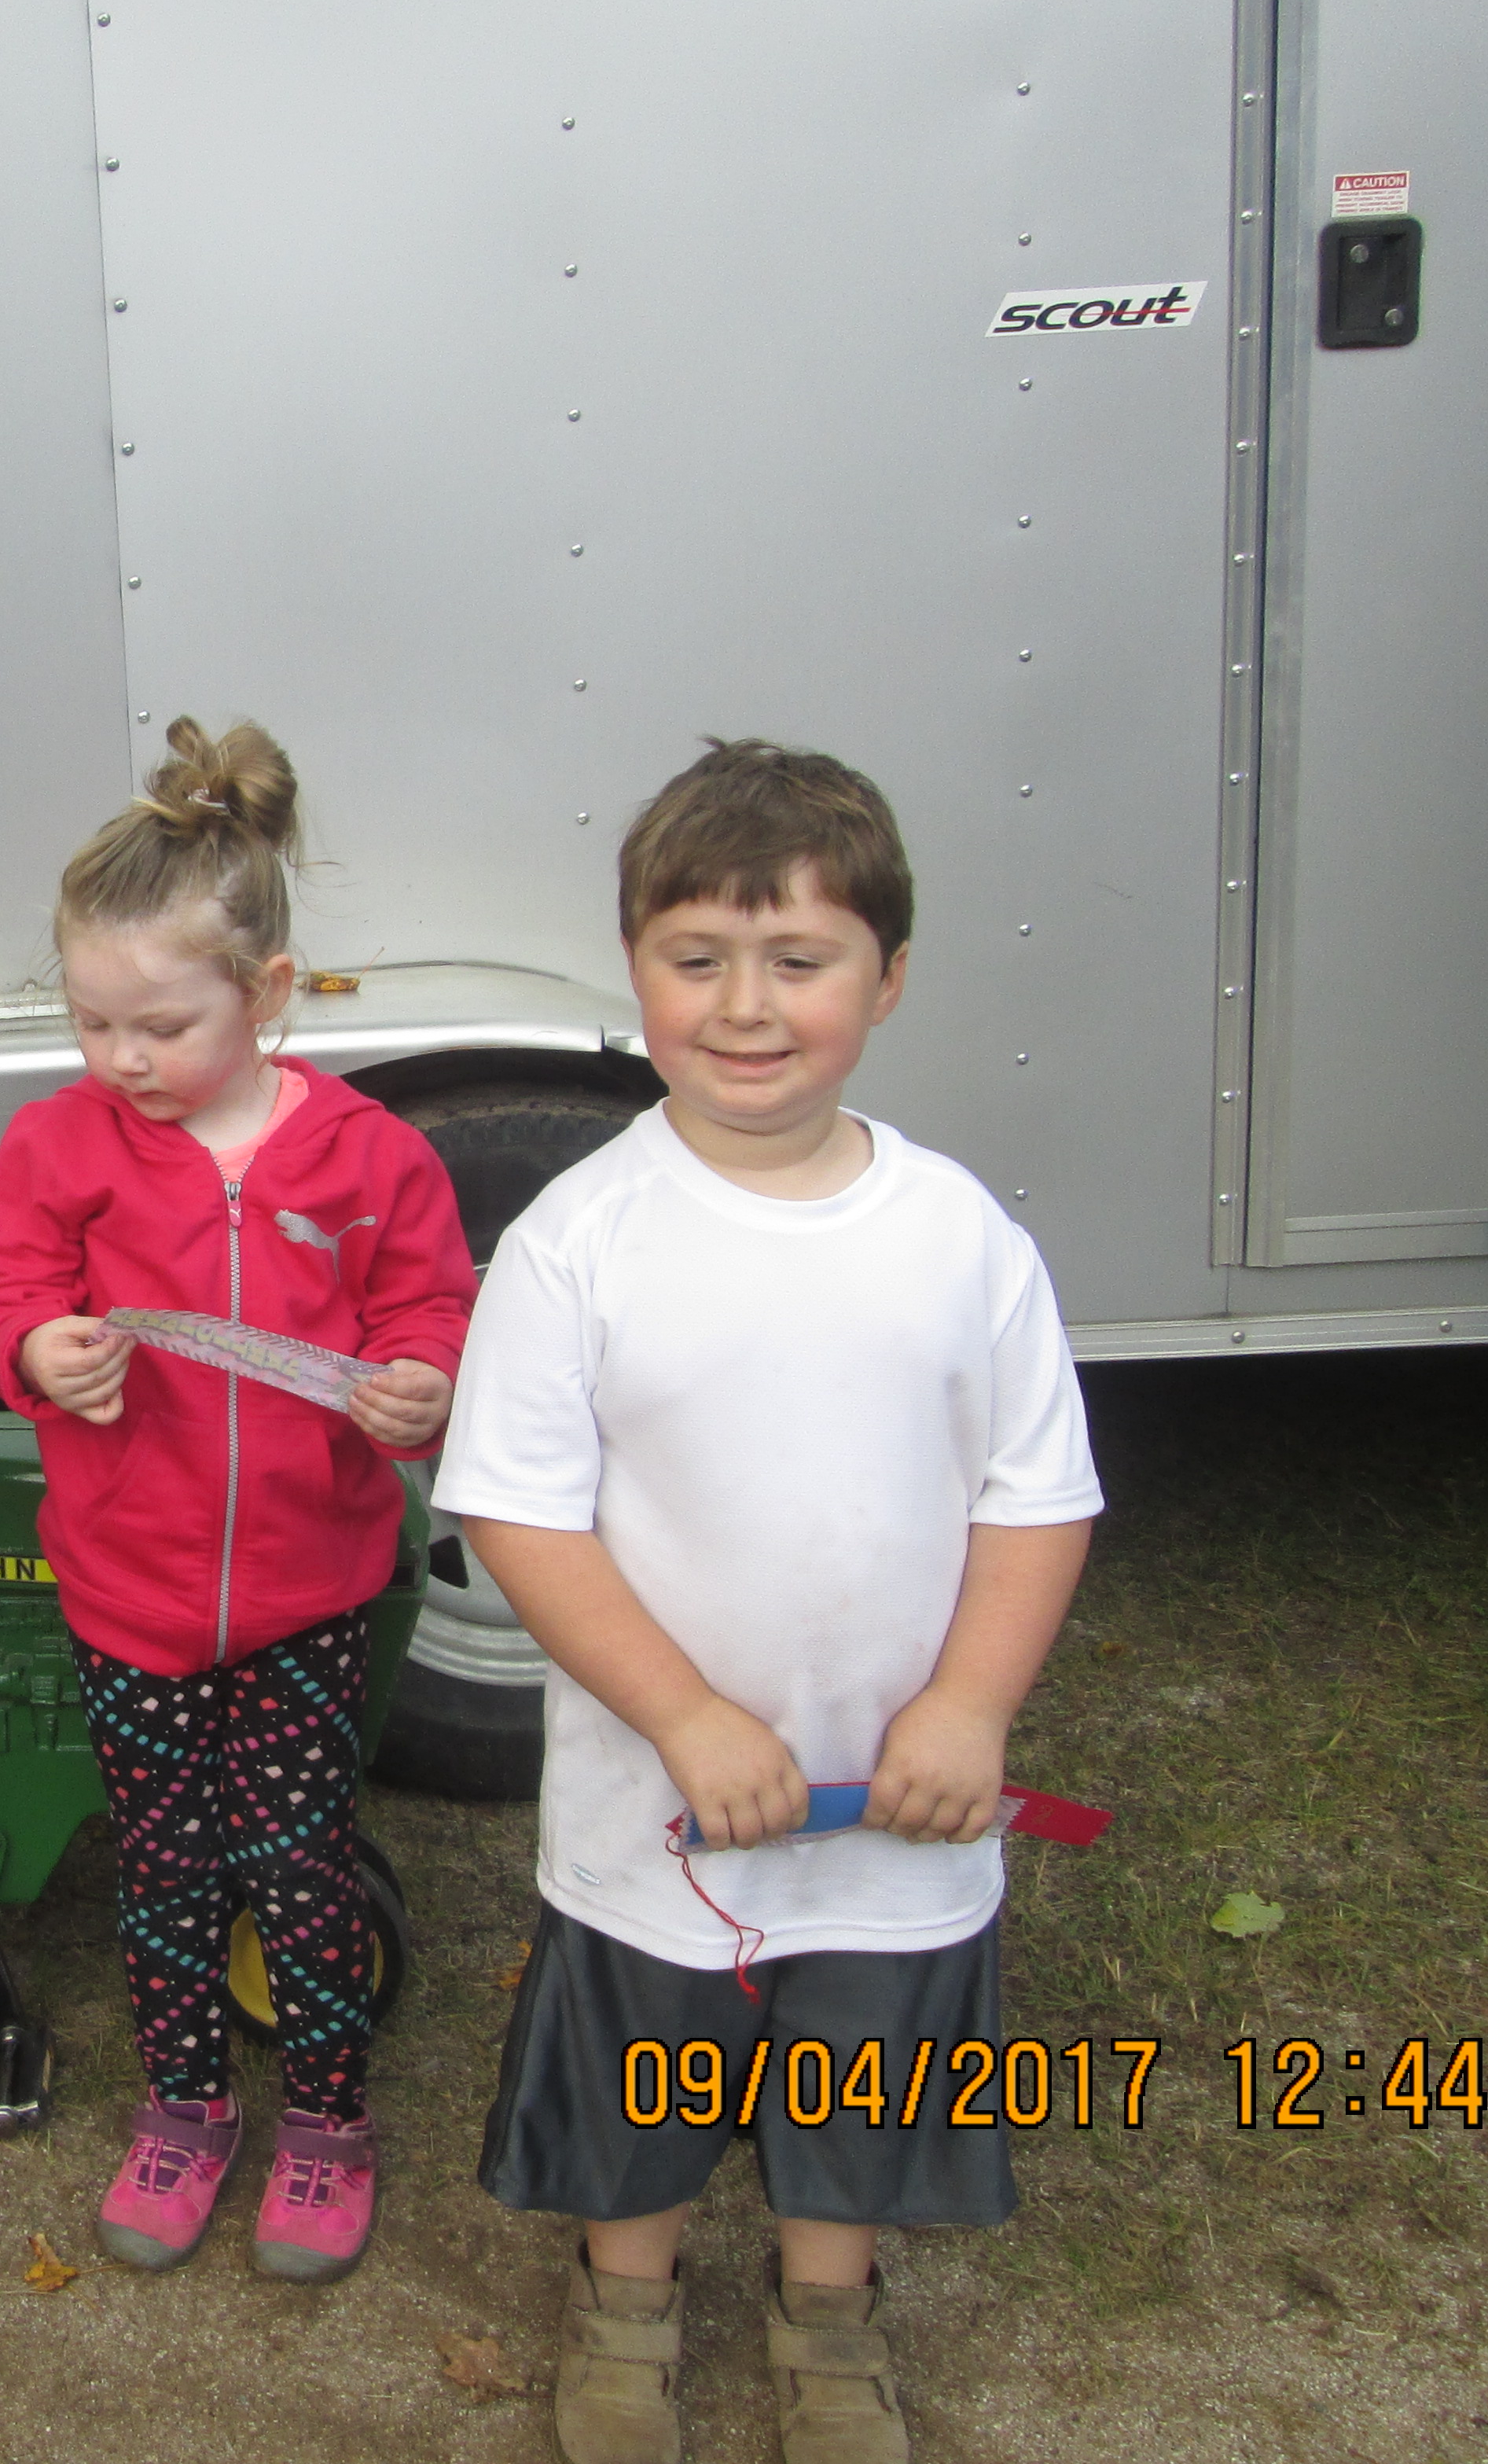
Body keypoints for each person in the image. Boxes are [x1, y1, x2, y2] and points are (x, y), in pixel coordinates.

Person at [432, 741, 1103, 2464]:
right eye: (698, 957)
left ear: (889, 978)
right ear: (636, 967)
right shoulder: (578, 1238)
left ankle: (830, 2318)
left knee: (859, 2073)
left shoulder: (960, 1234)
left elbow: (1036, 1498)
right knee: (644, 2072)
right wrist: (686, 1718)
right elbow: (519, 1513)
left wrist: (970, 1710)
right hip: (659, 1807)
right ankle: (628, 2304)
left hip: (900, 1801)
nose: (745, 1007)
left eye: (798, 959)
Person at [0, 717, 476, 2283]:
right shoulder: (57, 1146)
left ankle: (326, 2121)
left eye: (161, 1026)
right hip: (128, 1590)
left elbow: (431, 1307)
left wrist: (421, 1379)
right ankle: (184, 2108)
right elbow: (3, 1294)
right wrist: (36, 1351)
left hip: (313, 1590)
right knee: (166, 1864)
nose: (120, 1058)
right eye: (90, 1021)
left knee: (304, 1864)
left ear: (268, 992)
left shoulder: (373, 1158)